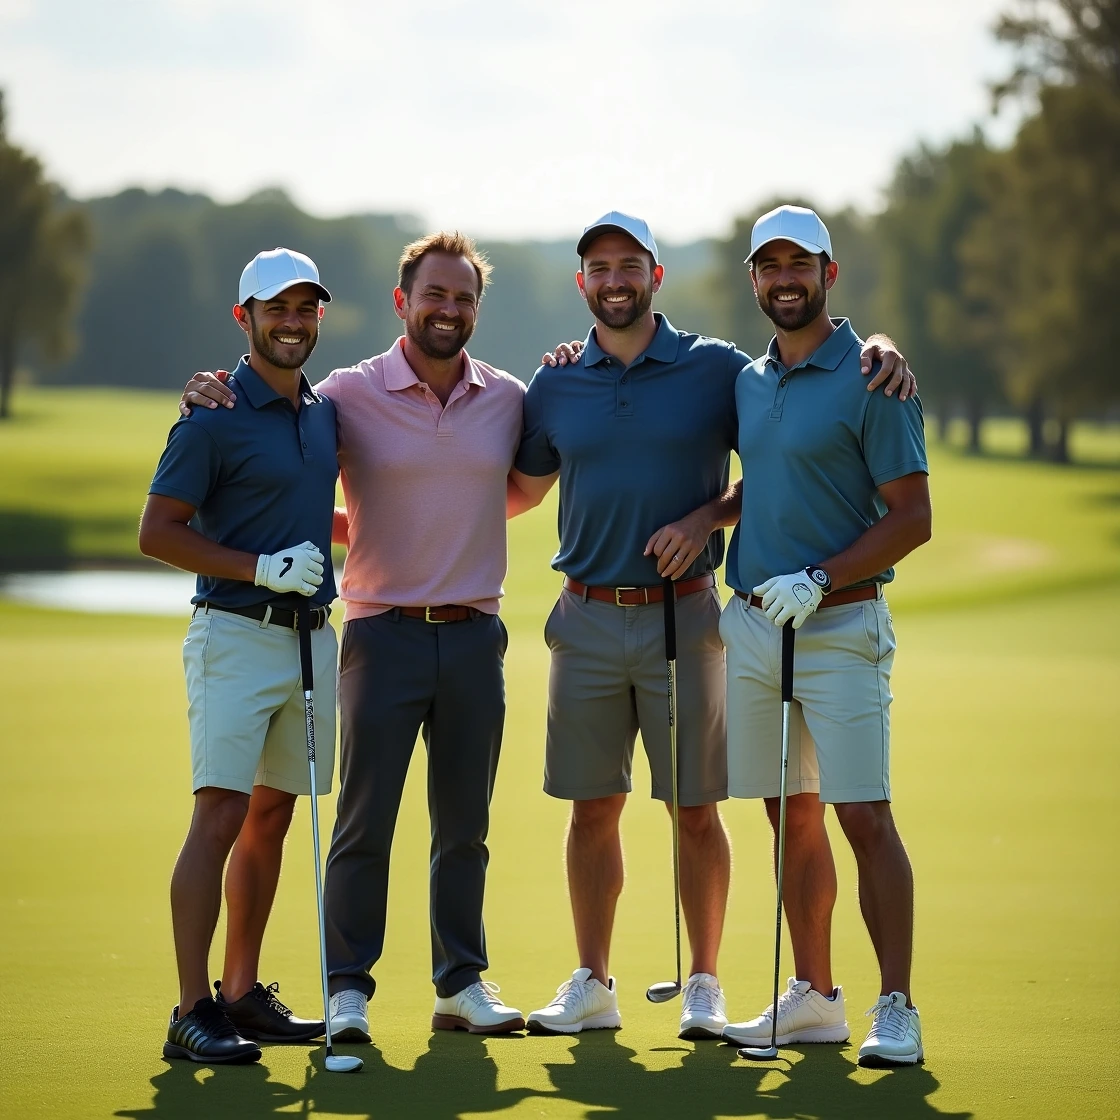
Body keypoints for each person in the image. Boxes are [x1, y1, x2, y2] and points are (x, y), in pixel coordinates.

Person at [507, 211, 916, 1040]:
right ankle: (597, 981)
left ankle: (716, 985)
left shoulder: (719, 370)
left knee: (710, 808)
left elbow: (793, 463)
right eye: (599, 268)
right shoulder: (562, 380)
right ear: (581, 281)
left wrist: (705, 520)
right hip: (594, 615)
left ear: (656, 276)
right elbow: (517, 486)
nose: (614, 281)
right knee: (604, 808)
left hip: (694, 618)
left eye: (630, 265)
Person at [178, 232, 531, 1040]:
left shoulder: (509, 397)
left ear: (478, 309)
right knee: (363, 823)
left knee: (464, 826)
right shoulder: (344, 394)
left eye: (464, 297)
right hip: (380, 635)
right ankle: (348, 991)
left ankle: (460, 984)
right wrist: (204, 387)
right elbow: (274, 441)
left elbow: (521, 487)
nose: (448, 309)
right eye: (434, 294)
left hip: (476, 635)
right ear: (403, 301)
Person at [716, 205, 931, 1066]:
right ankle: (815, 997)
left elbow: (912, 517)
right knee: (788, 816)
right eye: (769, 266)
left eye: (799, 264)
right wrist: (707, 515)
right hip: (757, 628)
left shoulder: (875, 377)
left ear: (828, 274)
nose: (784, 279)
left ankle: (897, 1007)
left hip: (841, 625)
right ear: (754, 279)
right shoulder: (748, 381)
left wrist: (819, 577)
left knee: (864, 815)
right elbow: (766, 482)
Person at [139, 247, 336, 1063]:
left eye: (305, 308)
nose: (291, 323)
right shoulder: (211, 415)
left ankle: (241, 991)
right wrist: (260, 568)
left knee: (272, 813)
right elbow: (158, 532)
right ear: (243, 318)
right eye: (275, 309)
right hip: (234, 634)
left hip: (309, 641)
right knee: (220, 811)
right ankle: (190, 1010)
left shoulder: (323, 412)